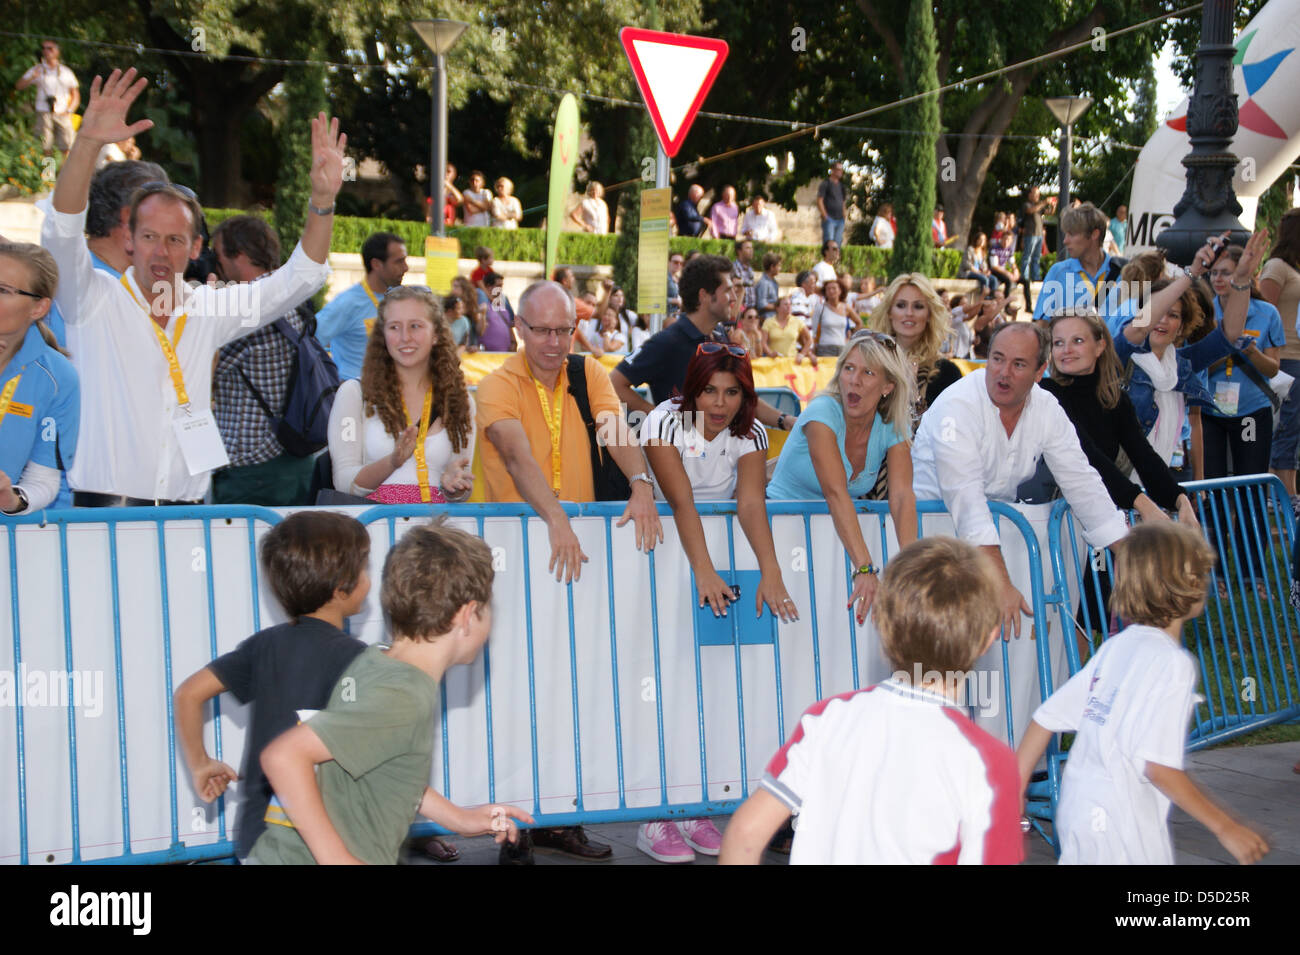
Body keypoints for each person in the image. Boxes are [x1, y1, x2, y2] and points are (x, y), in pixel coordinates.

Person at [42, 67, 339, 507]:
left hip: (187, 520)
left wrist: (324, 201)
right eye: (149, 237)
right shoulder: (91, 301)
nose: (160, 252)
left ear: (195, 246)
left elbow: (301, 277)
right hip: (105, 520)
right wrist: (86, 144)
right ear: (129, 240)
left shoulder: (208, 310)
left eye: (175, 240)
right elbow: (60, 232)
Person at [476, 280, 661, 864]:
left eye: (564, 330)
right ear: (519, 328)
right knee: (512, 691)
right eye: (542, 330)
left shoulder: (591, 374)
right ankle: (512, 825)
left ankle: (559, 815)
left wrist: (641, 482)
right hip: (511, 555)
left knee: (567, 688)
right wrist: (555, 516)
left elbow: (615, 432)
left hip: (569, 558)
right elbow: (514, 453)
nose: (555, 342)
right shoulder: (495, 385)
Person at [719, 536, 1022, 865]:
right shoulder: (989, 764)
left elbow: (745, 833)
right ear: (990, 636)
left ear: (879, 623)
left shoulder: (826, 718)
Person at [249, 523, 533, 865]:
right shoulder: (403, 697)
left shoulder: (376, 660)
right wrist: (336, 858)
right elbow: (283, 757)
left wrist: (457, 818)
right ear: (468, 615)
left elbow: (383, 767)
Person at [1017, 523, 1269, 865]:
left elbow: (1045, 717)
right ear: (1191, 584)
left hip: (1079, 809)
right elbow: (1158, 767)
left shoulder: (1116, 646)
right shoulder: (1173, 665)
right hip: (1122, 823)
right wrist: (1224, 825)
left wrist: (1015, 787)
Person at [638, 344, 798, 862]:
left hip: (718, 564)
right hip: (660, 562)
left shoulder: (750, 431)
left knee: (709, 689)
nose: (720, 402)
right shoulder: (662, 423)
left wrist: (771, 570)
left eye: (732, 392)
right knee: (663, 685)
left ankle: (698, 805)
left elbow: (751, 503)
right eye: (710, 390)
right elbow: (681, 500)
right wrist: (702, 569)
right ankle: (655, 814)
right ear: (691, 389)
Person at [172, 511, 371, 861]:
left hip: (257, 838)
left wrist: (200, 763)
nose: (369, 578)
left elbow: (188, 694)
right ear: (343, 585)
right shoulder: (362, 661)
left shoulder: (262, 646)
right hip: (325, 840)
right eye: (365, 567)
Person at [912, 322, 1128, 640]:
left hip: (986, 540)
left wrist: (1127, 552)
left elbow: (1081, 480)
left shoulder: (1047, 408)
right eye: (997, 359)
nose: (1003, 372)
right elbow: (966, 498)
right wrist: (999, 579)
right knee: (941, 649)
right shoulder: (955, 407)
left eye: (1018, 364)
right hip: (932, 537)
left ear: (1040, 371)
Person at [768, 330, 918, 625]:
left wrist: (912, 564)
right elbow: (836, 492)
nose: (854, 380)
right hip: (778, 533)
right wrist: (865, 568)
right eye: (849, 368)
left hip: (830, 540)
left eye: (868, 372)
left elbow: (901, 496)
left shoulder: (892, 425)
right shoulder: (823, 411)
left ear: (888, 385)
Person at [610, 255, 798, 433]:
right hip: (680, 458)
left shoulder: (720, 336)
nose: (734, 297)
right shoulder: (668, 341)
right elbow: (615, 383)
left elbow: (745, 399)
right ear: (704, 296)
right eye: (727, 290)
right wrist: (660, 418)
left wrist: (785, 420)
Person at [1043, 307, 1197, 526]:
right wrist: (1142, 503)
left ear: (1100, 345)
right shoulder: (1046, 393)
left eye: (1077, 340)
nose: (1066, 350)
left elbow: (1144, 456)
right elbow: (1086, 455)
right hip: (1052, 518)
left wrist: (1181, 501)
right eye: (1058, 343)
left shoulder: (1115, 399)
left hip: (1094, 519)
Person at [209, 215, 322, 506]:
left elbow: (197, 369)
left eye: (218, 255)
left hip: (253, 470)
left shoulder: (244, 307)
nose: (215, 265)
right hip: (294, 460)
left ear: (241, 256)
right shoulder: (288, 299)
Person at [327, 287, 474, 504]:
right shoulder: (354, 395)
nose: (405, 337)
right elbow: (344, 481)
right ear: (382, 335)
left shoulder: (460, 401)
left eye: (415, 326)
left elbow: (462, 482)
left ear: (436, 335)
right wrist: (393, 462)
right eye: (394, 327)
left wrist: (456, 487)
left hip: (435, 532)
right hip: (372, 531)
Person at [1199, 238, 1285, 586]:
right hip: (1210, 411)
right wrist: (1223, 349)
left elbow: (1274, 368)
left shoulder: (1267, 314)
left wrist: (1249, 351)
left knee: (1251, 488)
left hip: (1251, 411)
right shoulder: (1204, 310)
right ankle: (1216, 570)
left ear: (1247, 276)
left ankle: (1252, 572)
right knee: (1214, 489)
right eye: (1215, 273)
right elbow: (1197, 359)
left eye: (1227, 273)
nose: (1219, 279)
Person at [0, 241, 78, 515]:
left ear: (39, 308)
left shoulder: (57, 377)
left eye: (3, 290)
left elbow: (43, 480)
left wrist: (12, 499)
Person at [868, 273, 961, 430]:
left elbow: (952, 430)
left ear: (929, 315)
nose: (909, 313)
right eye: (901, 305)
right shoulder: (869, 364)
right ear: (889, 312)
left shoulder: (947, 373)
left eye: (918, 306)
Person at [316, 231, 407, 382]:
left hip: (392, 395)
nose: (406, 267)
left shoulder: (400, 300)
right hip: (356, 396)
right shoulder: (347, 303)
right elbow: (309, 342)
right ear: (376, 264)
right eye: (399, 262)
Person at [1259, 209, 1300, 496]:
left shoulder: (1294, 269)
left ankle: (1289, 491)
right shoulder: (1276, 267)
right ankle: (1283, 495)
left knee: (1294, 427)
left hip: (1297, 357)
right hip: (1286, 358)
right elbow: (1265, 311)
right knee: (1286, 426)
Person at [1033, 202, 1123, 325]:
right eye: (1065, 234)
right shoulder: (1058, 272)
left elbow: (1139, 326)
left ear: (1094, 234)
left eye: (1072, 234)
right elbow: (1041, 325)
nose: (1065, 241)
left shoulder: (1124, 273)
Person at [16, 40, 79, 156]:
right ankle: (48, 173)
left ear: (57, 52)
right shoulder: (37, 69)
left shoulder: (66, 71)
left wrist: (69, 111)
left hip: (62, 113)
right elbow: (19, 86)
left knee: (67, 147)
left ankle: (65, 173)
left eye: (50, 48)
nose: (46, 51)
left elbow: (75, 95)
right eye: (44, 48)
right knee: (46, 148)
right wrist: (32, 77)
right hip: (44, 113)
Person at [808, 270, 857, 358]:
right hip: (825, 349)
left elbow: (859, 322)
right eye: (828, 289)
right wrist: (812, 351)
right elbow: (813, 331)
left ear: (840, 291)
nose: (831, 291)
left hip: (843, 349)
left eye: (834, 288)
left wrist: (850, 340)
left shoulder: (846, 307)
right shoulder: (820, 308)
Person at [1020, 186, 1056, 289]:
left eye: (1038, 194)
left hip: (1039, 235)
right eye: (1035, 194)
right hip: (1030, 234)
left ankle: (1035, 277)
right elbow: (1031, 211)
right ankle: (1025, 277)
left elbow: (1050, 213)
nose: (1037, 196)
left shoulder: (1039, 206)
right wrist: (1044, 202)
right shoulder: (1027, 205)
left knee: (1036, 258)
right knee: (1027, 257)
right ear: (1030, 195)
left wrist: (1053, 206)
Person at [761, 295, 815, 364]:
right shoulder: (768, 322)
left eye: (790, 304)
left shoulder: (797, 321)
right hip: (774, 362)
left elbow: (809, 339)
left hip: (792, 361)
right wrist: (770, 353)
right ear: (777, 308)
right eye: (785, 304)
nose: (789, 306)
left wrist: (802, 354)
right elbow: (763, 342)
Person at [477, 272, 517, 353]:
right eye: (498, 286)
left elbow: (509, 326)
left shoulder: (503, 306)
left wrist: (514, 342)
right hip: (485, 356)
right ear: (488, 287)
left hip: (503, 355)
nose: (501, 289)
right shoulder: (482, 306)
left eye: (501, 286)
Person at [817, 160, 847, 245]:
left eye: (841, 170)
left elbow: (843, 201)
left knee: (838, 243)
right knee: (829, 243)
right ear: (832, 170)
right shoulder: (826, 183)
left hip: (840, 219)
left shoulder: (842, 186)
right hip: (829, 218)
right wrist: (824, 215)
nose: (840, 172)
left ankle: (836, 258)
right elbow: (819, 200)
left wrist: (844, 214)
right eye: (838, 169)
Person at [732, 238, 758, 311]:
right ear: (739, 251)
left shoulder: (750, 269)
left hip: (751, 309)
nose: (751, 250)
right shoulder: (734, 268)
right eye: (747, 248)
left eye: (751, 248)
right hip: (739, 309)